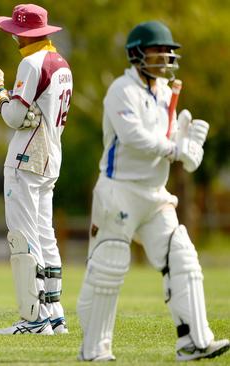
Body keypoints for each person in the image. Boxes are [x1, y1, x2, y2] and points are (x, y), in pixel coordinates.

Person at [76, 20, 229, 362]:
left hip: (155, 194)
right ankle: (95, 350)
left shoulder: (164, 92)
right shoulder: (121, 90)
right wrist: (175, 149)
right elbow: (133, 137)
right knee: (109, 265)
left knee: (183, 258)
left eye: (167, 51)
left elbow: (166, 141)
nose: (164, 56)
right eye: (157, 50)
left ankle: (194, 342)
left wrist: (188, 144)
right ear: (137, 54)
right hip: (119, 190)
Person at [0, 4, 71, 335]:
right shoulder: (61, 62)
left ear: (22, 33)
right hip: (51, 155)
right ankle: (54, 313)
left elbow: (15, 118)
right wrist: (15, 105)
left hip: (26, 157)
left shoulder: (30, 63)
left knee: (23, 236)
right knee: (45, 234)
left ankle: (33, 319)